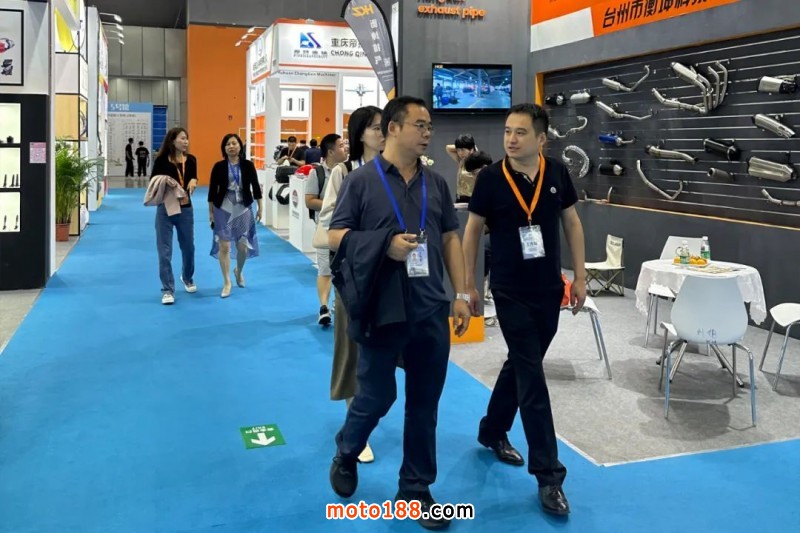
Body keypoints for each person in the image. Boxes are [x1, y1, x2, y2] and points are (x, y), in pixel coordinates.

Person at [327, 96, 471, 530]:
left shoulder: (436, 183)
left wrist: (461, 293)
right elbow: (335, 235)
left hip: (430, 307)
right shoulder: (362, 181)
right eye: (419, 125)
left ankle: (415, 489)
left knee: (424, 404)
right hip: (382, 307)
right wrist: (383, 245)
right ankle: (348, 448)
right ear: (393, 128)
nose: (428, 133)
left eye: (429, 126)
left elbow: (450, 238)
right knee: (376, 395)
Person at [461, 103, 586, 517]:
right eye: (507, 131)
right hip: (509, 290)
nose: (511, 139)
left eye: (520, 132)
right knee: (532, 377)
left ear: (541, 138)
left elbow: (571, 222)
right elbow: (472, 232)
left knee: (521, 363)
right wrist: (469, 286)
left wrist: (580, 276)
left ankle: (492, 430)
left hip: (548, 289)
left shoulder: (557, 173)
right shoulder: (491, 178)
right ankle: (549, 475)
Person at [318, 105, 384, 464]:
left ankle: (363, 418)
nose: (383, 132)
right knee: (351, 351)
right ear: (360, 134)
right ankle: (355, 427)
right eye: (376, 127)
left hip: (388, 273)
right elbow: (330, 220)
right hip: (353, 273)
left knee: (382, 355)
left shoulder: (394, 169)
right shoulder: (344, 172)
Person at [208, 133, 263, 298]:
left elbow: (255, 186)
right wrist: (211, 212)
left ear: (240, 146)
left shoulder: (248, 165)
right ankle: (227, 282)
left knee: (242, 247)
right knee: (224, 247)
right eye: (228, 144)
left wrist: (260, 207)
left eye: (234, 143)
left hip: (243, 207)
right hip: (223, 208)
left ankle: (238, 270)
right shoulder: (218, 166)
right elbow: (212, 190)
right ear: (224, 148)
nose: (231, 146)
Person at [150, 127, 198, 305]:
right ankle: (167, 289)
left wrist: (194, 180)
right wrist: (165, 182)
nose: (186, 142)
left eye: (187, 138)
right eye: (182, 138)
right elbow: (153, 182)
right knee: (164, 251)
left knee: (188, 248)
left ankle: (187, 277)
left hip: (185, 209)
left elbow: (193, 177)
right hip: (166, 209)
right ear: (172, 141)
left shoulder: (191, 160)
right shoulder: (161, 161)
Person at [305, 133, 347, 324]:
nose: (345, 148)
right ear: (330, 151)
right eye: (341, 145)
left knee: (344, 270)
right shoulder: (317, 173)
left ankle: (338, 304)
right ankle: (324, 307)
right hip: (325, 228)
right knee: (325, 270)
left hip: (347, 230)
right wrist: (333, 205)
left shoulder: (348, 170)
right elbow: (310, 201)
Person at [446, 134, 478, 203]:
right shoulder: (461, 161)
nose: (460, 153)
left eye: (463, 150)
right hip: (459, 198)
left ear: (471, 149)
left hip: (472, 199)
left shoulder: (478, 162)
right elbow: (448, 148)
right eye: (458, 150)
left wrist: (472, 147)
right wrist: (460, 146)